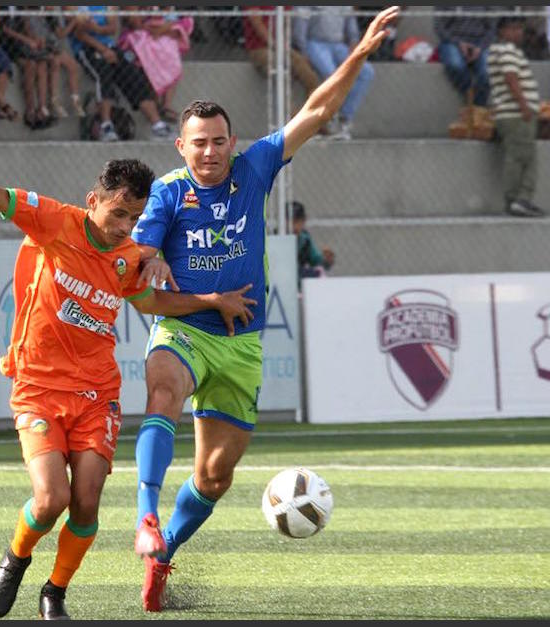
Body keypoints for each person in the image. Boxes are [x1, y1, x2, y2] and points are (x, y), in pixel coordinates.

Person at [0, 122, 257, 620]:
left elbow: (151, 301)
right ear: (94, 199)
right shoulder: (53, 221)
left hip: (96, 392)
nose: (124, 226)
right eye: (118, 213)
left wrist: (210, 300)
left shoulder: (128, 257)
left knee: (87, 502)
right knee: (52, 499)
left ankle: (55, 592)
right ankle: (15, 559)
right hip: (38, 385)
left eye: (134, 218)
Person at [128, 6, 400, 613]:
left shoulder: (255, 169)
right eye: (198, 143)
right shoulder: (170, 191)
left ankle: (164, 551)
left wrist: (357, 53)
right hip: (183, 329)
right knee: (163, 394)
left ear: (232, 142)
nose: (209, 152)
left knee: (215, 478)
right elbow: (139, 251)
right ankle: (146, 516)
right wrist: (148, 261)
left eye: (219, 141)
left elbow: (317, 112)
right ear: (182, 146)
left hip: (243, 345)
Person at [69, 5, 173, 141]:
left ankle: (158, 125)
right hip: (86, 48)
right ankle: (106, 126)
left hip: (111, 47)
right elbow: (79, 34)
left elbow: (112, 29)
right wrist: (102, 47)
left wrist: (95, 29)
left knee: (132, 75)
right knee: (103, 73)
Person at [489, 15, 545, 218]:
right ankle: (519, 199)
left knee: (522, 156)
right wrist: (524, 105)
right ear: (501, 32)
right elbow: (510, 77)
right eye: (512, 29)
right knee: (523, 158)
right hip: (515, 113)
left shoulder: (505, 51)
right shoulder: (506, 50)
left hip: (511, 112)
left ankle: (516, 200)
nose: (517, 33)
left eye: (519, 29)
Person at [292, 6, 375, 140]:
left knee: (366, 72)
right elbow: (300, 28)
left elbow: (351, 27)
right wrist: (303, 50)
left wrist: (354, 44)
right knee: (333, 76)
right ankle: (330, 120)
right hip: (315, 43)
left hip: (338, 46)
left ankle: (344, 118)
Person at [243, 6, 321, 98]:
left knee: (307, 72)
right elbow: (257, 24)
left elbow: (285, 24)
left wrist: (283, 45)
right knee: (278, 70)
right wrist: (274, 44)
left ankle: (311, 108)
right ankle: (290, 111)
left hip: (281, 47)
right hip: (258, 48)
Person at [433, 6, 496, 107]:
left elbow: (492, 29)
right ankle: (470, 96)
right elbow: (439, 27)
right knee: (455, 65)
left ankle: (476, 108)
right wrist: (458, 43)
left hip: (480, 42)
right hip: (452, 42)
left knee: (487, 72)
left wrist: (480, 47)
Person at [289, 200, 334, 278]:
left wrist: (326, 260)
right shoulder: (275, 238)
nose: (294, 226)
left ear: (303, 221)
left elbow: (316, 260)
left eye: (297, 222)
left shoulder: (305, 240)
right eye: (290, 222)